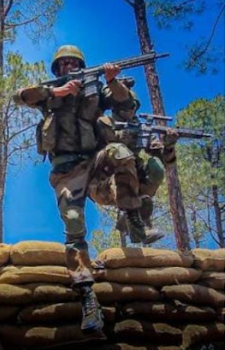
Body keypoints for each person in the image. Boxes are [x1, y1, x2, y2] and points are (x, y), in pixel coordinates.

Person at [11, 45, 146, 333]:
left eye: (74, 63)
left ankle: (133, 217)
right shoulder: (49, 95)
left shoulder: (95, 90)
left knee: (120, 151)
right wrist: (56, 93)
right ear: (57, 69)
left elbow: (128, 108)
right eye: (64, 64)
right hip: (65, 171)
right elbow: (19, 96)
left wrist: (112, 81)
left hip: (94, 163)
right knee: (73, 223)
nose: (69, 67)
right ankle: (87, 294)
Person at [96, 78, 177, 244]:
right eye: (122, 106)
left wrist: (168, 145)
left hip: (130, 182)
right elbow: (99, 148)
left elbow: (167, 163)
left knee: (155, 168)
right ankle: (137, 229)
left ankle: (133, 217)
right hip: (103, 183)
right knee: (120, 152)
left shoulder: (141, 128)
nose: (127, 110)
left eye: (131, 106)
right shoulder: (104, 122)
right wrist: (119, 138)